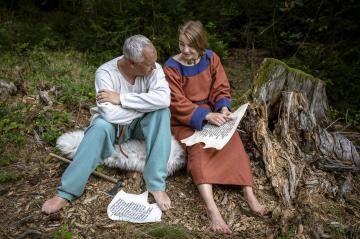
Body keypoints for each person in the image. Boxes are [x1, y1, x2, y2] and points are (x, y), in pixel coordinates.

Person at [42, 35, 172, 214]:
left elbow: (164, 99)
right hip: (114, 127)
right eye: (149, 64)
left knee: (161, 113)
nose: (155, 67)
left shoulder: (154, 68)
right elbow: (109, 113)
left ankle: (156, 184)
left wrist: (121, 98)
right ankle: (66, 192)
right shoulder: (105, 73)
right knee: (100, 127)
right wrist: (145, 106)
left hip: (142, 126)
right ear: (132, 63)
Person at [163, 21, 265, 234]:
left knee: (233, 141)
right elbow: (176, 102)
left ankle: (249, 195)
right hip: (185, 119)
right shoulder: (171, 67)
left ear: (201, 45)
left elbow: (221, 87)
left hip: (212, 112)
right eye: (181, 44)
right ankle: (213, 211)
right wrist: (205, 115)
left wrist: (224, 108)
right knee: (198, 149)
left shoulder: (211, 58)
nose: (185, 50)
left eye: (190, 45)